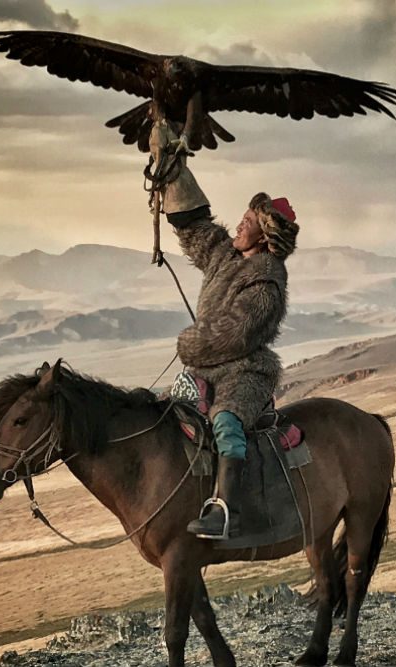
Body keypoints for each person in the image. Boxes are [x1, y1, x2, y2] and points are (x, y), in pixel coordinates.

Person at [150, 121, 300, 539]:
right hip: (208, 369)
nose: (238, 224)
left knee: (226, 422)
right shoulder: (225, 256)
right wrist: (172, 169)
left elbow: (234, 336)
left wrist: (189, 343)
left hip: (245, 372)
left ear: (265, 235)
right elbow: (195, 228)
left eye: (248, 220)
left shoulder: (266, 282)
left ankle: (226, 511)